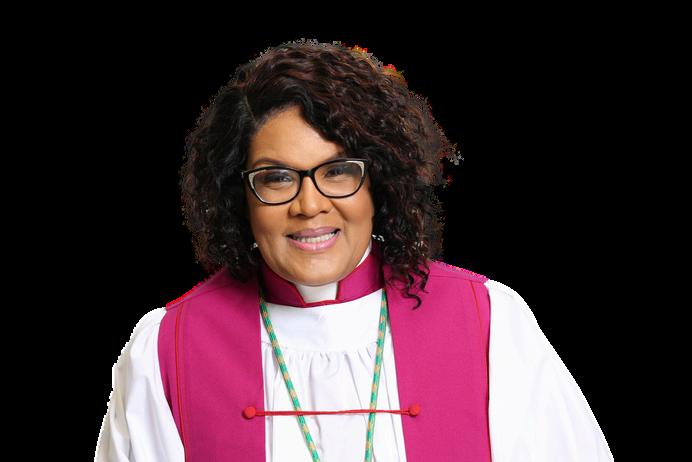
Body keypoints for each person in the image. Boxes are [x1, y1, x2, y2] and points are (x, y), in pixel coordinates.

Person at [94, 39, 614, 461]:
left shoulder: (490, 321)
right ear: (239, 196)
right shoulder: (167, 349)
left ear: (378, 185)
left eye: (338, 171)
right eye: (276, 178)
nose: (309, 205)